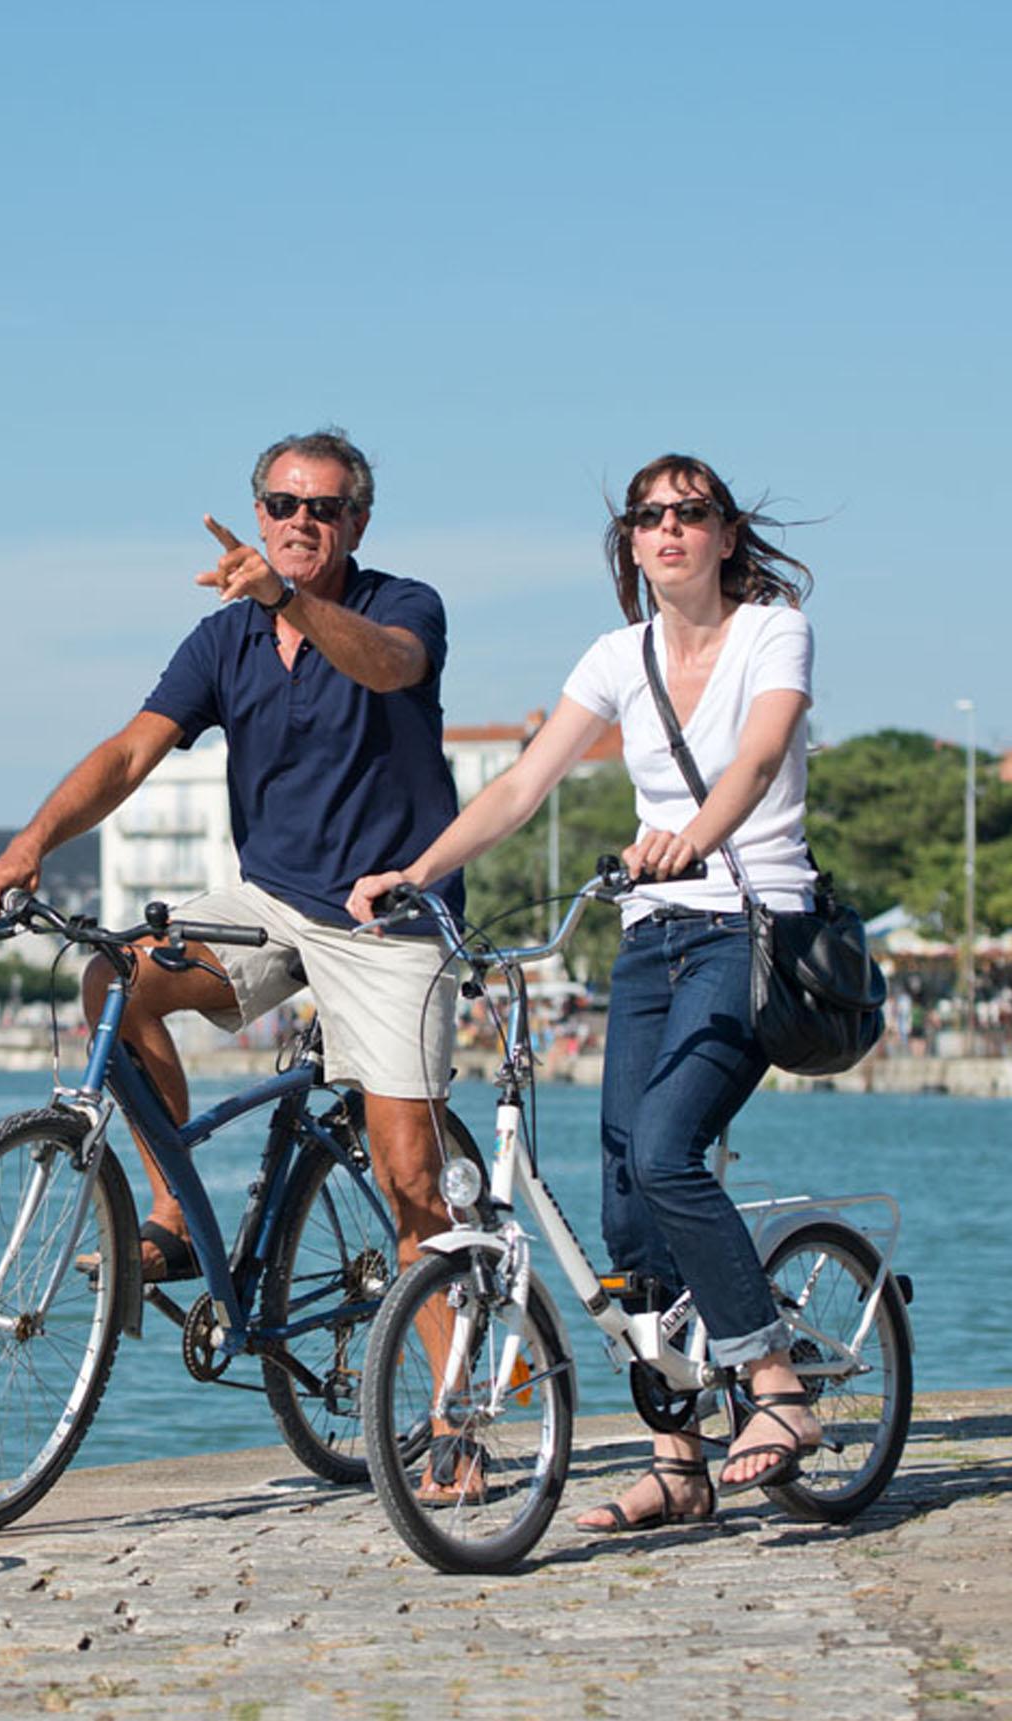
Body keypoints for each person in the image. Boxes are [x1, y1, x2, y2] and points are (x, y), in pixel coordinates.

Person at [347, 452, 825, 1528]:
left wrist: (690, 839)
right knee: (621, 1191)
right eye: (648, 517)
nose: (669, 530)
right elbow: (522, 782)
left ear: (725, 535)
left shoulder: (772, 631)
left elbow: (757, 758)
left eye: (690, 513)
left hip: (750, 927)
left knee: (665, 1150)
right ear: (631, 543)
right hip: (650, 939)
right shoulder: (618, 655)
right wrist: (415, 872)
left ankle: (776, 1382)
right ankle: (677, 1460)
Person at [0, 428, 463, 1283]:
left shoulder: (404, 605)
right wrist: (27, 847)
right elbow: (129, 753)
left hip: (390, 920)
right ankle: (176, 1218)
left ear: (358, 523)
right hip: (271, 903)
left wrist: (287, 600)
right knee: (113, 980)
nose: (301, 521)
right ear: (258, 517)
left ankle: (458, 1373)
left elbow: (388, 668)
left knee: (413, 1183)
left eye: (324, 508)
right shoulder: (224, 640)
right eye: (283, 504)